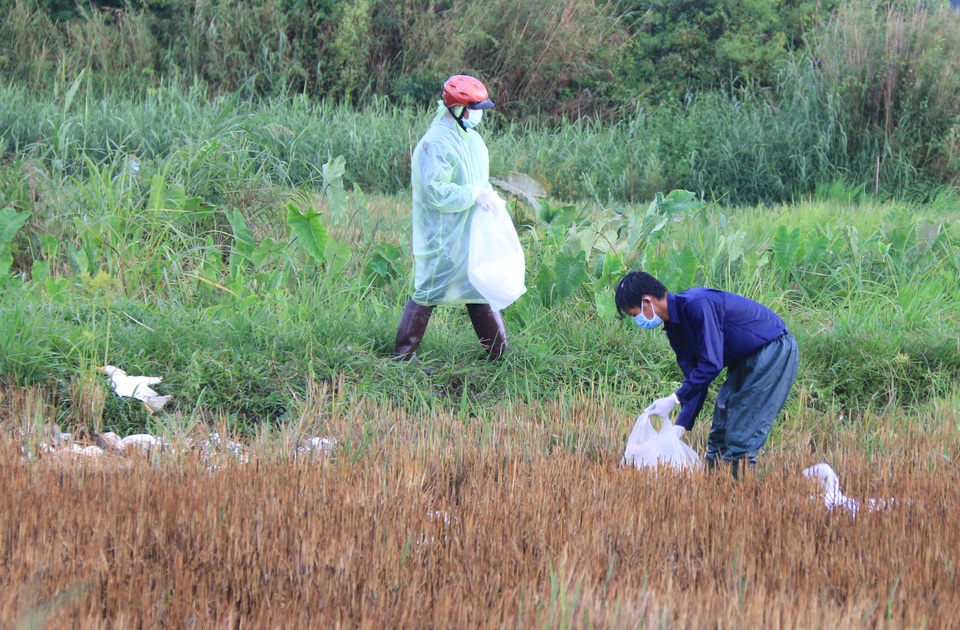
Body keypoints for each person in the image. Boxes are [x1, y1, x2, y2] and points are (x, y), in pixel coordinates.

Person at [615, 271, 799, 475]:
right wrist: (681, 426)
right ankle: (714, 492)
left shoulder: (698, 304)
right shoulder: (674, 330)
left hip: (772, 350)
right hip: (742, 360)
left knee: (742, 434)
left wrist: (675, 398)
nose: (637, 320)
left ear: (647, 302)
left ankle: (739, 499)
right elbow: (695, 377)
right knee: (720, 432)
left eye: (634, 314)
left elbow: (711, 363)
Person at [394, 74, 509, 366]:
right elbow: (434, 190)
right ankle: (403, 356)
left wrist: (487, 198)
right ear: (457, 109)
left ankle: (499, 356)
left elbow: (475, 180)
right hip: (444, 234)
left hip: (469, 230)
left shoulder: (470, 138)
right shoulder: (434, 144)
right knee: (429, 289)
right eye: (475, 107)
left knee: (477, 285)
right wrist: (473, 194)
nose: (479, 114)